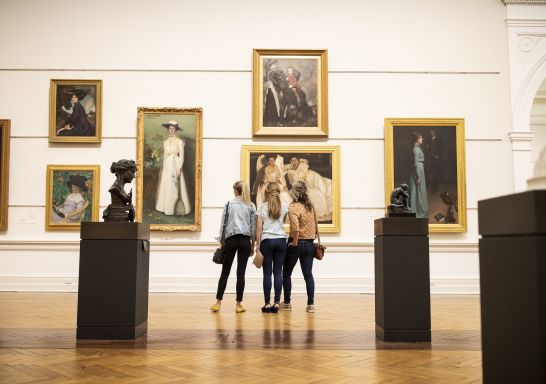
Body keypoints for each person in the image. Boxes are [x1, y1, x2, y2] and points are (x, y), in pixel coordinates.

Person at [211, 181, 256, 313]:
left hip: (230, 240)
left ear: (236, 191)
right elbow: (253, 227)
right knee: (240, 273)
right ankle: (239, 304)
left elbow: (223, 224)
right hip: (245, 241)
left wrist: (221, 240)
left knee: (225, 272)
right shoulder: (251, 205)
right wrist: (252, 244)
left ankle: (218, 303)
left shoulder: (229, 204)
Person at [282, 181, 317, 313]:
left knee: (286, 273)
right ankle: (311, 304)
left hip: (296, 243)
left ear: (295, 192)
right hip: (309, 244)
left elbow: (295, 228)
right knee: (308, 274)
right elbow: (315, 224)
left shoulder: (293, 206)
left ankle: (287, 302)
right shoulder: (310, 206)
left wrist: (295, 242)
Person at [255, 182, 289, 313]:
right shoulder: (284, 207)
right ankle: (276, 303)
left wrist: (258, 245)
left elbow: (259, 228)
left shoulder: (262, 207)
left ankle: (267, 303)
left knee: (267, 273)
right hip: (281, 240)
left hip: (267, 241)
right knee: (278, 273)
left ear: (266, 192)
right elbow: (283, 222)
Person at [155, 120, 191, 216]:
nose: (171, 130)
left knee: (175, 184)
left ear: (176, 130)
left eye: (173, 129)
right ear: (168, 129)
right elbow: (165, 156)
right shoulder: (165, 142)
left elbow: (181, 156)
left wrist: (178, 168)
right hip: (168, 165)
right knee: (167, 184)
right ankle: (165, 207)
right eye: (170, 128)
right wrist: (164, 168)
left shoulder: (180, 142)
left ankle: (176, 208)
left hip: (176, 164)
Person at [409, 132, 429, 219]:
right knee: (417, 190)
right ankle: (418, 211)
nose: (422, 139)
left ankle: (421, 209)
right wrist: (418, 176)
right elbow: (416, 163)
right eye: (420, 138)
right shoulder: (416, 149)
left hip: (420, 169)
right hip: (418, 171)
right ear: (417, 139)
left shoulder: (418, 148)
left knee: (420, 190)